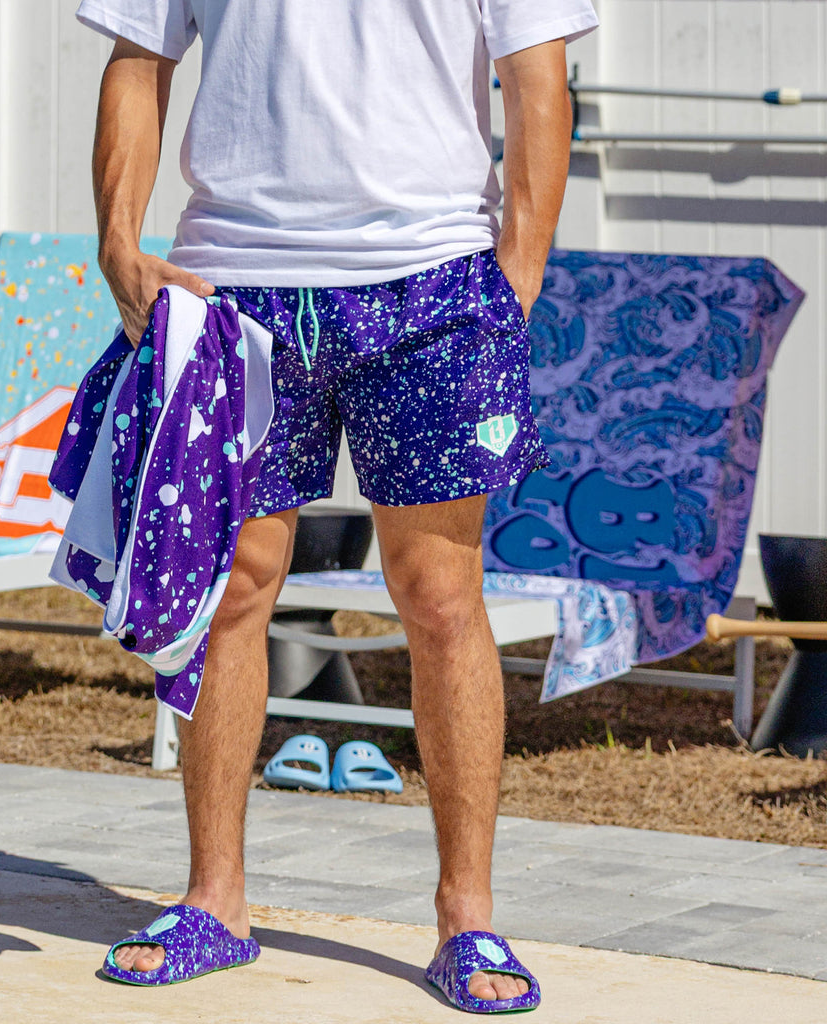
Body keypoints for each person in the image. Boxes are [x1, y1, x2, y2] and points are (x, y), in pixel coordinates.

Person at [76, 0, 597, 1013]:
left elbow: (537, 76)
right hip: (233, 280)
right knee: (232, 590)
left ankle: (467, 917)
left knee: (439, 596)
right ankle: (215, 902)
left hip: (435, 281)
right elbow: (138, 58)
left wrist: (518, 271)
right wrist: (115, 237)